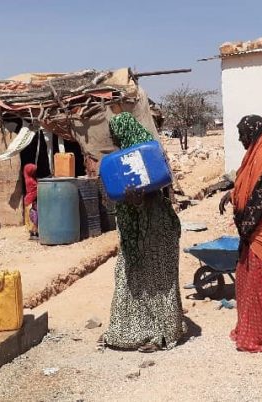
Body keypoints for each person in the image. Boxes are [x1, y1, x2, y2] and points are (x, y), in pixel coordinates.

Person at [99, 112, 184, 352]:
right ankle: (129, 331)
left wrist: (137, 202)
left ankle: (163, 334)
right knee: (132, 277)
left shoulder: (144, 157)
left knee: (157, 281)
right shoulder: (127, 158)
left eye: (115, 136)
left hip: (155, 230)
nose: (114, 141)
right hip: (141, 231)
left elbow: (154, 197)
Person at [219, 115, 262, 353]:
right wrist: (232, 195)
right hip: (251, 235)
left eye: (242, 134)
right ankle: (250, 330)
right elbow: (246, 188)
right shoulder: (252, 160)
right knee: (249, 285)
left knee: (261, 285)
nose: (239, 138)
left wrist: (245, 230)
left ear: (254, 134)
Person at [23, 163, 39, 240]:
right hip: (30, 201)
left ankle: (34, 233)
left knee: (33, 217)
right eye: (33, 171)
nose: (34, 172)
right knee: (34, 217)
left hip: (30, 200)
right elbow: (36, 189)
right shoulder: (30, 181)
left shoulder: (29, 178)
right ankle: (33, 234)